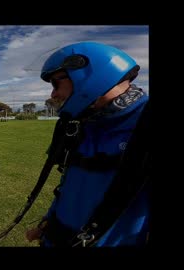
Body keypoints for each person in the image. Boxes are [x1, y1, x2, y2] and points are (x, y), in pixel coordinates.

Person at [25, 41, 150, 247]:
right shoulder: (81, 126)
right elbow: (70, 186)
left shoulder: (144, 125)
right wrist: (46, 224)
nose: (53, 94)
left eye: (56, 83)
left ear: (87, 74)